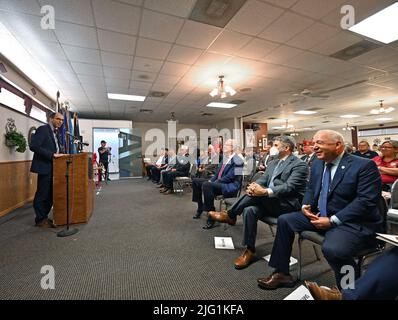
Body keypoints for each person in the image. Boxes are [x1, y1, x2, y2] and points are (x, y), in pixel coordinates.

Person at [257, 130, 383, 290]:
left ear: (338, 145)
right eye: (314, 143)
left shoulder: (364, 165)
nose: (314, 147)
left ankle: (349, 290)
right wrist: (305, 205)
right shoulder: (317, 163)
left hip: (350, 221)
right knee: (285, 220)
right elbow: (311, 188)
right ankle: (282, 273)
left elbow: (366, 201)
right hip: (319, 215)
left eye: (320, 143)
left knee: (334, 249)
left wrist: (333, 220)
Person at [208, 136, 308, 269]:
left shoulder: (299, 164)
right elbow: (263, 179)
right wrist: (254, 185)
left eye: (276, 145)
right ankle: (250, 250)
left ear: (287, 148)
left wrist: (265, 192)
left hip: (287, 204)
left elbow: (289, 187)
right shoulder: (273, 163)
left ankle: (231, 214)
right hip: (269, 201)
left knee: (258, 196)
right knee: (250, 209)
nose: (272, 147)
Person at [305, 246, 398, 300]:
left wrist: (333, 220)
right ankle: (346, 292)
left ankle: (345, 296)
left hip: (356, 224)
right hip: (332, 222)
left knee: (335, 250)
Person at [192, 139, 243, 229]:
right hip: (220, 183)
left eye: (227, 145)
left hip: (230, 186)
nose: (224, 146)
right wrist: (211, 180)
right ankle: (200, 207)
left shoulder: (238, 160)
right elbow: (217, 174)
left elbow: (230, 177)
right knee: (196, 181)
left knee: (207, 185)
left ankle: (211, 214)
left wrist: (213, 183)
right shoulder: (225, 158)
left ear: (233, 148)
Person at [30, 112, 66, 228]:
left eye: (62, 120)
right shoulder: (43, 129)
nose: (60, 121)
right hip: (44, 167)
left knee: (51, 194)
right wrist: (52, 155)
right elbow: (34, 146)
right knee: (42, 194)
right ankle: (40, 219)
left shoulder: (56, 133)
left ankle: (44, 217)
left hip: (54, 168)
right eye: (58, 119)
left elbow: (55, 148)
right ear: (51, 119)